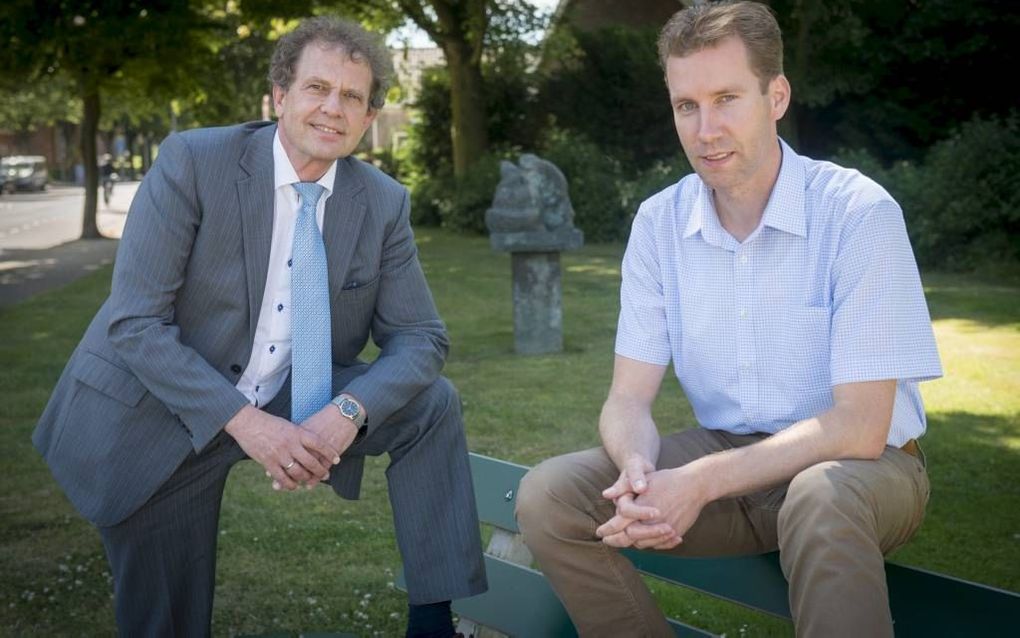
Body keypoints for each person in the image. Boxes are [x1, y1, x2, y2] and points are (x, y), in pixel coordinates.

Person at [33, 17, 485, 637]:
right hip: (166, 403)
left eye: (353, 96)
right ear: (279, 96)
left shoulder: (381, 202)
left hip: (289, 392)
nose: (333, 108)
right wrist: (250, 428)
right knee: (166, 619)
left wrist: (346, 411)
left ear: (370, 114)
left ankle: (434, 624)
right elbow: (135, 323)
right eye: (317, 88)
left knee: (433, 402)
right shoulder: (195, 161)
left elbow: (421, 337)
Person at [515, 2, 941, 636]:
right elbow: (627, 400)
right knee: (550, 495)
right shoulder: (659, 224)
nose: (706, 129)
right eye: (687, 105)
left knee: (819, 498)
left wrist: (698, 482)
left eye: (726, 98)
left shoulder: (857, 213)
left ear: (776, 96)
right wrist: (637, 464)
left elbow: (860, 425)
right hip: (729, 462)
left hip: (865, 470)